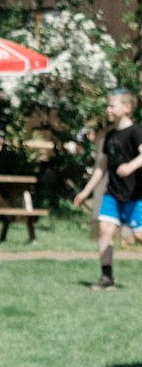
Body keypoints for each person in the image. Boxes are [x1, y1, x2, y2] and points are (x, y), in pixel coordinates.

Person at [73, 88, 142, 289]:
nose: (107, 109)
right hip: (112, 194)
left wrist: (130, 166)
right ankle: (106, 277)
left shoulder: (136, 132)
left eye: (112, 105)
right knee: (105, 229)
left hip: (135, 195)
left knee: (139, 235)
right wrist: (85, 192)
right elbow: (101, 168)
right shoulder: (110, 136)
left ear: (127, 107)